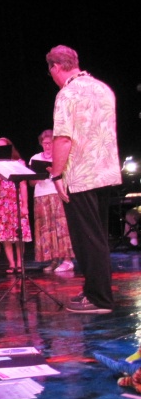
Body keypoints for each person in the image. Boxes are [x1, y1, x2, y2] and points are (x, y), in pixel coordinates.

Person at [46, 45, 122, 313]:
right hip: (106, 172)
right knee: (98, 236)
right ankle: (93, 291)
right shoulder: (103, 88)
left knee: (87, 239)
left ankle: (100, 299)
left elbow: (63, 138)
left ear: (55, 67)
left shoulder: (67, 94)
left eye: (50, 70)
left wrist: (56, 174)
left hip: (80, 176)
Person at [29, 129, 75, 272]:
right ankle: (54, 260)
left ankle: (67, 260)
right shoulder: (35, 158)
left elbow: (67, 176)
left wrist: (53, 171)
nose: (47, 146)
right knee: (47, 228)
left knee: (61, 227)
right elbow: (31, 183)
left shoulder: (60, 156)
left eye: (50, 143)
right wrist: (38, 176)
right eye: (44, 143)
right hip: (41, 196)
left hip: (56, 193)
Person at [0, 137, 32, 273]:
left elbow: (24, 185)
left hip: (16, 201)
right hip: (2, 203)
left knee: (19, 235)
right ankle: (11, 263)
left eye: (3, 146)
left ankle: (20, 263)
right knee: (5, 236)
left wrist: (25, 205)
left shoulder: (19, 163)